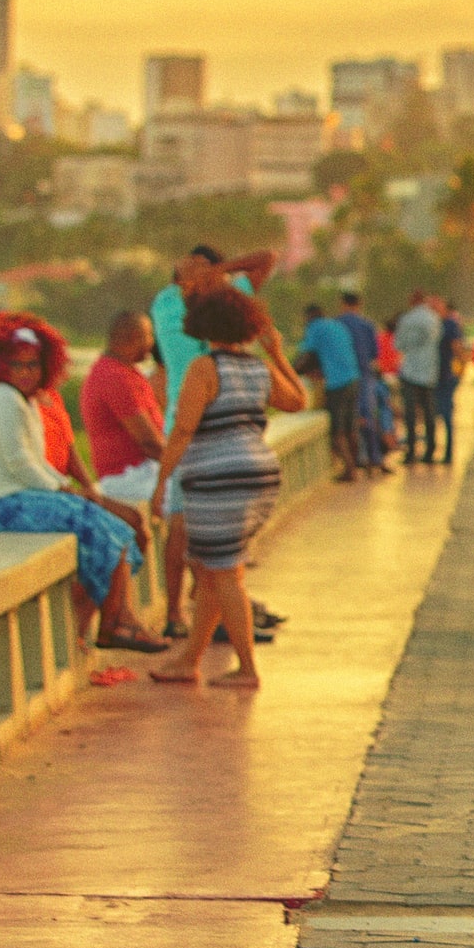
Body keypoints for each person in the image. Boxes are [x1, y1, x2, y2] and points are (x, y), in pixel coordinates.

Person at [0, 315, 166, 653]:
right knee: (99, 527)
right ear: (2, 366)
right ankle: (116, 623)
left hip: (26, 497)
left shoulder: (25, 400)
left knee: (116, 530)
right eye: (18, 365)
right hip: (5, 505)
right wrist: (64, 490)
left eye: (33, 364)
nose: (27, 372)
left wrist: (69, 489)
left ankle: (113, 622)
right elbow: (21, 464)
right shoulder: (3, 399)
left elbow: (39, 460)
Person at [147, 287, 308, 688]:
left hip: (217, 479)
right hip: (258, 474)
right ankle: (191, 659)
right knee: (211, 571)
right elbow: (298, 401)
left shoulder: (204, 368)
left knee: (225, 576)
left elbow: (183, 429)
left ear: (201, 326)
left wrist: (161, 482)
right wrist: (276, 353)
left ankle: (248, 669)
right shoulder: (257, 368)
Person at [153, 245, 275, 636]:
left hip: (222, 438)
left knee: (218, 548)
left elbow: (265, 257)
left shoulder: (223, 303)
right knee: (187, 531)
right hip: (198, 431)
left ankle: (208, 622)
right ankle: (180, 615)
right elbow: (184, 430)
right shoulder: (170, 303)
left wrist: (218, 271)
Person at [82, 310, 167, 509]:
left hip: (142, 471)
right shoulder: (114, 376)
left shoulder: (122, 370)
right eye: (149, 335)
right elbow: (149, 443)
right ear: (135, 337)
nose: (152, 342)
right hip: (128, 476)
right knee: (198, 494)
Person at [299, 304, 363, 481]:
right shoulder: (337, 325)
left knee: (338, 430)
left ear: (309, 317)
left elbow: (307, 356)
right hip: (354, 378)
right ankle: (355, 466)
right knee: (351, 427)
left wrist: (290, 372)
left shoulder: (315, 327)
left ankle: (349, 470)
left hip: (337, 382)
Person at [338, 292, 391, 475]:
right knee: (368, 417)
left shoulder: (339, 324)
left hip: (345, 379)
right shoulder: (367, 325)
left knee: (350, 421)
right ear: (359, 305)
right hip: (366, 377)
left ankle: (358, 460)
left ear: (343, 304)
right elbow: (375, 355)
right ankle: (375, 458)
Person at [394, 290, 444, 464]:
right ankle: (430, 451)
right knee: (429, 413)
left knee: (410, 414)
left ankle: (411, 452)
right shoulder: (434, 319)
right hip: (429, 372)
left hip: (409, 371)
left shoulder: (406, 319)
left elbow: (398, 344)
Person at [432, 296, 464, 464]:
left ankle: (449, 452)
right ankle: (439, 450)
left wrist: (462, 369)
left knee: (446, 413)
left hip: (446, 375)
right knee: (438, 413)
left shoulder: (449, 325)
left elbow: (457, 347)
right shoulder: (435, 324)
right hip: (435, 376)